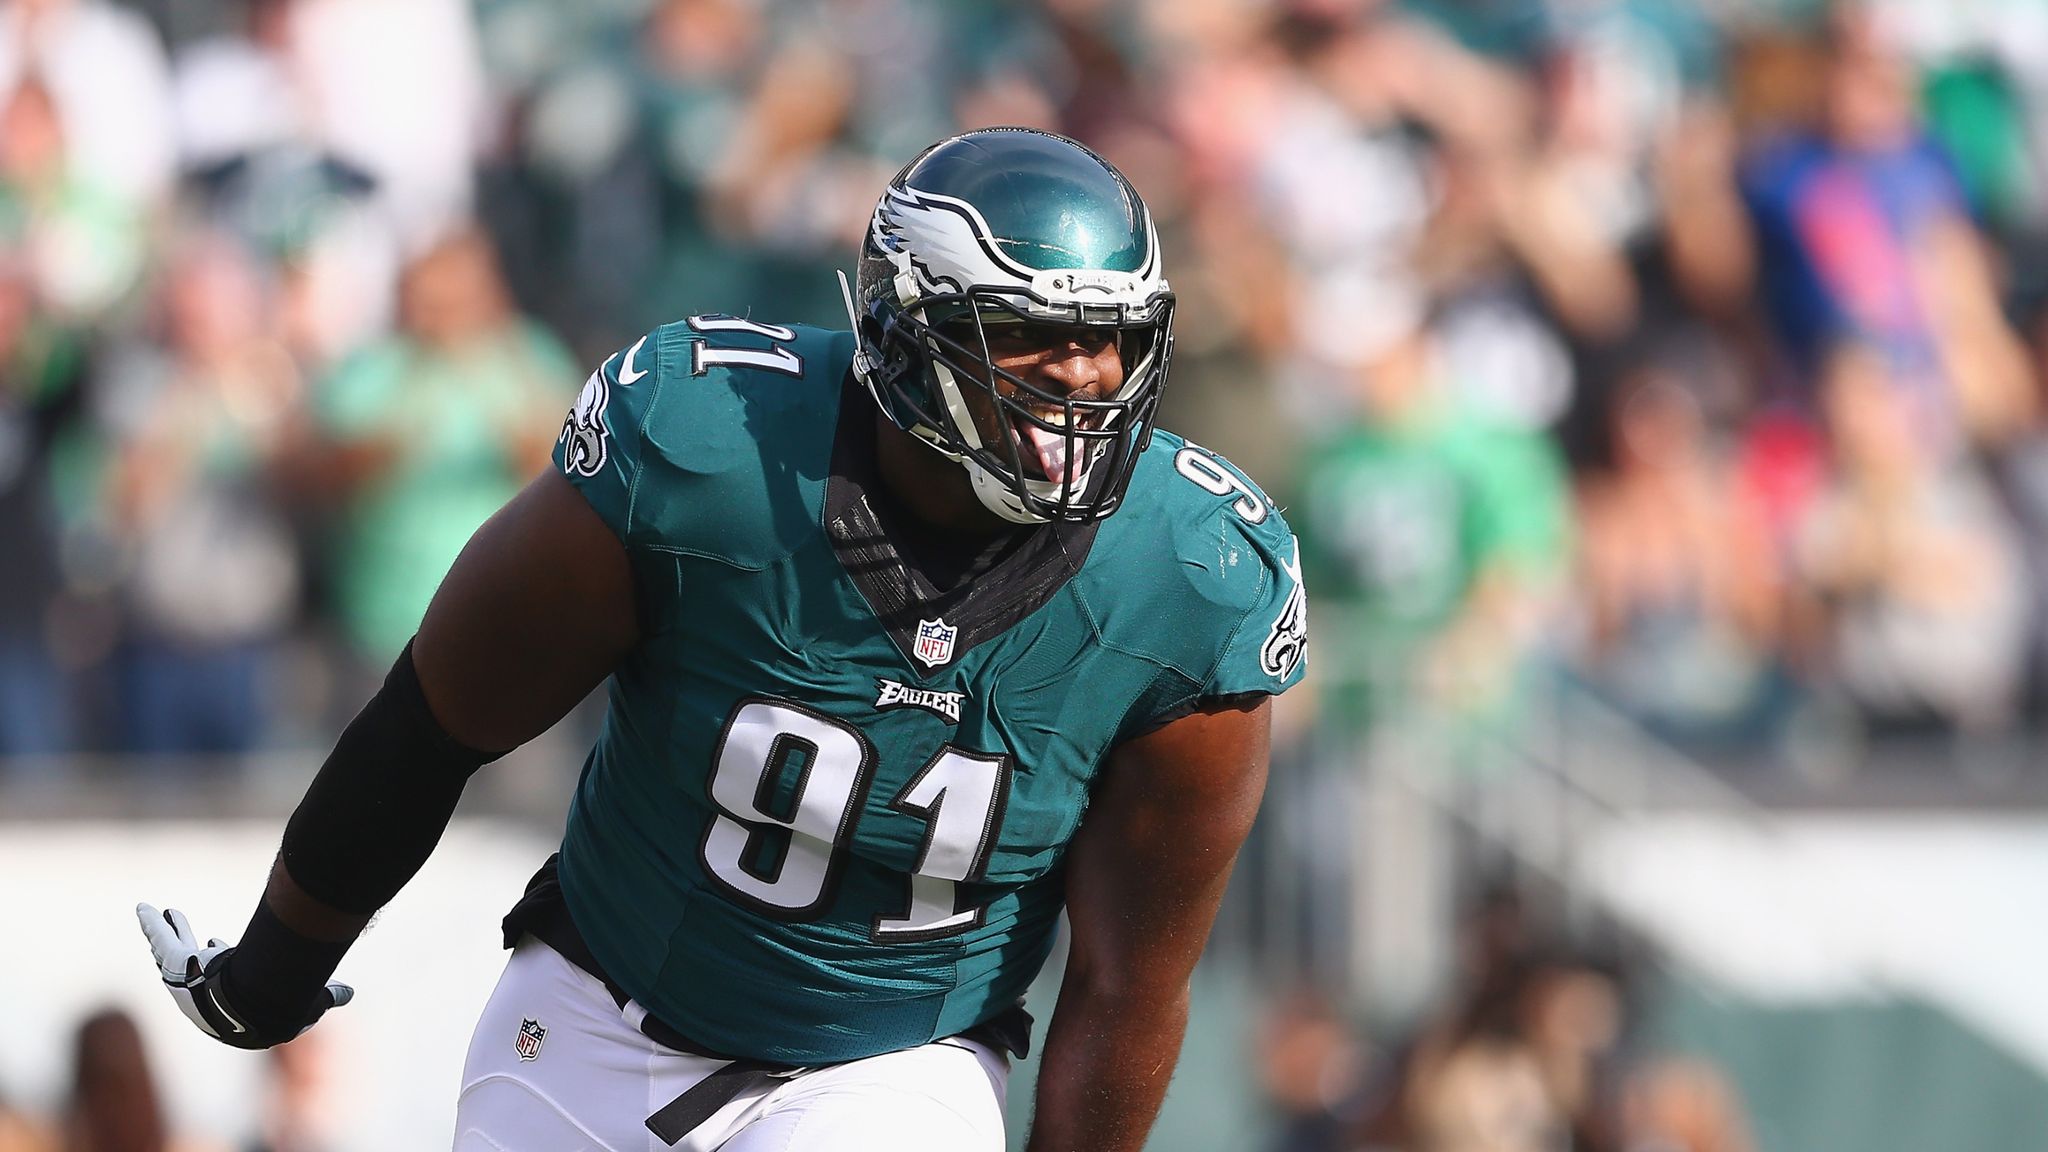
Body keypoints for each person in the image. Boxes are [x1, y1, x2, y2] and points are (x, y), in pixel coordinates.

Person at [139, 126, 1307, 1152]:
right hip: (593, 1018)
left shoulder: (1188, 577)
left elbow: (1128, 985)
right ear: (905, 331)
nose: (1081, 378)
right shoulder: (713, 453)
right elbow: (435, 721)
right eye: (1028, 333)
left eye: (1108, 340)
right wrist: (276, 966)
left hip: (890, 1066)